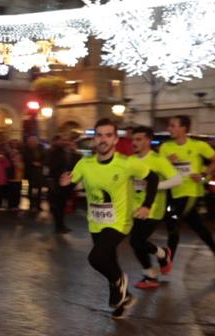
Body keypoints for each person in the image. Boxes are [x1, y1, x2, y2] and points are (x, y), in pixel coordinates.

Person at [59, 119, 158, 319]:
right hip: (96, 221)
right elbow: (71, 185)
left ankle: (121, 282)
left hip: (119, 222)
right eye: (99, 135)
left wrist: (146, 205)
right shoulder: (85, 164)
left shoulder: (127, 163)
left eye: (108, 135)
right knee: (109, 262)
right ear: (94, 139)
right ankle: (125, 299)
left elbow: (153, 178)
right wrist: (65, 184)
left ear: (115, 139)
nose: (103, 139)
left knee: (96, 258)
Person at [159, 115, 215, 273]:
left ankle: (167, 264)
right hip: (172, 191)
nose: (169, 129)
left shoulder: (198, 145)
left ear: (184, 129)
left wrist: (203, 174)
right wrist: (167, 161)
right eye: (169, 125)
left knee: (172, 222)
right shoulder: (165, 147)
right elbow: (159, 169)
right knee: (196, 225)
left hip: (191, 192)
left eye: (173, 125)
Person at [127, 126, 181, 290]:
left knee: (136, 240)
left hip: (153, 208)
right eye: (133, 139)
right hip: (133, 208)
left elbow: (177, 180)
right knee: (137, 243)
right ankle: (150, 274)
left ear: (149, 140)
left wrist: (155, 186)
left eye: (139, 139)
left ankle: (161, 257)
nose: (134, 143)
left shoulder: (158, 160)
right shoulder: (130, 160)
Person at [46, 134, 76, 233]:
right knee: (58, 205)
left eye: (66, 140)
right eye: (62, 140)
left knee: (62, 205)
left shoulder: (66, 151)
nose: (64, 142)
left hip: (64, 183)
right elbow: (51, 168)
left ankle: (61, 225)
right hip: (57, 183)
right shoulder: (54, 152)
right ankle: (58, 226)